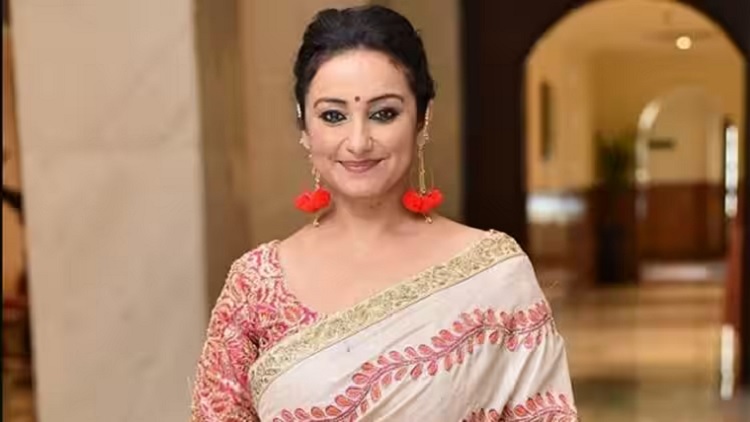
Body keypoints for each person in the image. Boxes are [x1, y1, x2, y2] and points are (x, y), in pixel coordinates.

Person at [191, 6, 577, 421]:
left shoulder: (494, 275)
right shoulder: (255, 285)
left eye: (383, 113)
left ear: (422, 119)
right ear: (305, 127)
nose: (358, 141)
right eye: (333, 116)